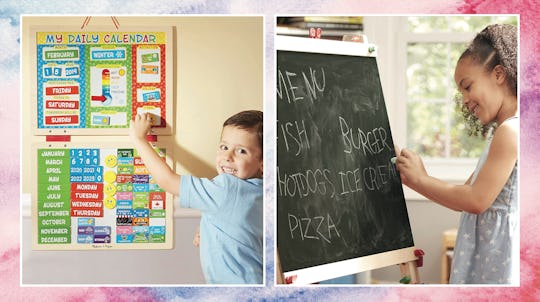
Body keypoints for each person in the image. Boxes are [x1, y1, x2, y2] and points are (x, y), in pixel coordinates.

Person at [395, 24, 517, 284]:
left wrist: (419, 180)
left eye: (468, 86)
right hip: (488, 256)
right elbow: (466, 194)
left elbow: (475, 200)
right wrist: (418, 176)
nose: (464, 99)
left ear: (499, 74)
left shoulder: (511, 131)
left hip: (498, 262)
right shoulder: (502, 131)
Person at [129, 110, 264, 284]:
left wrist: (139, 139)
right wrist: (208, 224)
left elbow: (168, 181)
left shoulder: (227, 188)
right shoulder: (261, 191)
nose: (227, 157)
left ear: (262, 162)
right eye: (224, 147)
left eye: (241, 151)